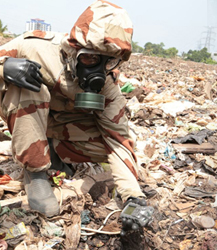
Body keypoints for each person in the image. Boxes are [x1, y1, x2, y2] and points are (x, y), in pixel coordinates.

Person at [0, 1, 150, 235]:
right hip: (27, 112)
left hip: (58, 126)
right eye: (90, 59)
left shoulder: (107, 86)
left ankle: (56, 151)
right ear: (73, 49)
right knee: (29, 83)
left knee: (112, 145)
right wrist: (4, 68)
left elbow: (119, 141)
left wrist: (133, 197)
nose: (98, 71)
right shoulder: (34, 47)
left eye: (108, 61)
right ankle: (36, 173)